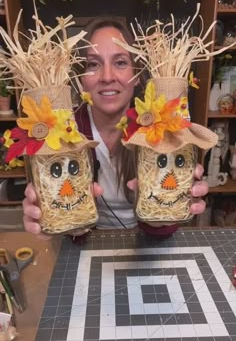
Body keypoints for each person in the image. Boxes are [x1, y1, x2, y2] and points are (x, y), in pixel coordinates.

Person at [23, 17, 208, 239]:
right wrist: (52, 222)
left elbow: (163, 220)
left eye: (120, 62)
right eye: (93, 64)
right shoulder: (63, 136)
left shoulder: (158, 131)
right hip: (83, 244)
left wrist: (163, 218)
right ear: (81, 79)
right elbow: (63, 210)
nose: (107, 77)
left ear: (137, 75)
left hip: (145, 242)